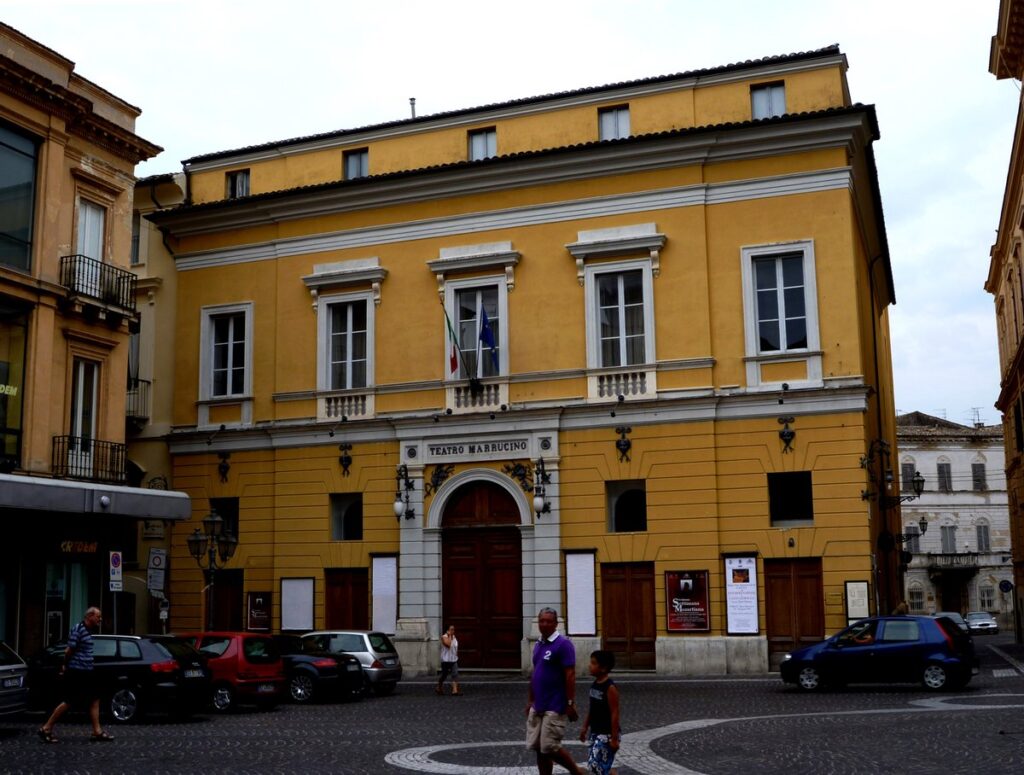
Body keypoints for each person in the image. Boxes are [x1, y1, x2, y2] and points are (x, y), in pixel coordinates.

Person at [38, 606, 113, 743]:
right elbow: (68, 650)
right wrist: (65, 665)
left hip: (86, 671)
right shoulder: (79, 629)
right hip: (78, 671)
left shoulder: (88, 630)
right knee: (70, 701)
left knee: (94, 698)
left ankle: (97, 732)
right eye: (98, 616)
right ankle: (46, 728)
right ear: (90, 616)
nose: (100, 619)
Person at [526, 607, 582, 775]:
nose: (544, 624)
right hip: (538, 704)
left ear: (556, 624)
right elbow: (535, 673)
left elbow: (570, 675)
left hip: (555, 704)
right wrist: (530, 700)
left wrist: (570, 702)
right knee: (538, 748)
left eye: (548, 621)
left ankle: (577, 772)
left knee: (550, 747)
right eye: (542, 621)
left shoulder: (563, 644)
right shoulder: (539, 644)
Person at [579, 650, 620, 775]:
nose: (589, 666)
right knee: (596, 765)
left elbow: (615, 712)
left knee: (596, 766)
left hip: (606, 733)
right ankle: (611, 773)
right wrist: (585, 727)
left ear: (603, 668)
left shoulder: (610, 687)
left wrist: (614, 738)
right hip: (595, 731)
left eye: (593, 663)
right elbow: (592, 708)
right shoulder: (594, 685)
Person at [436, 624, 461, 696]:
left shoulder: (454, 637)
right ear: (447, 630)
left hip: (453, 660)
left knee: (455, 674)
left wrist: (456, 655)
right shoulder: (444, 637)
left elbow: (455, 647)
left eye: (453, 629)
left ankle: (454, 691)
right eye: (451, 629)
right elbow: (448, 645)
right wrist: (449, 635)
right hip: (445, 660)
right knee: (444, 675)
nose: (453, 631)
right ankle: (439, 687)